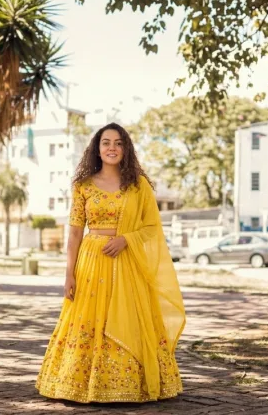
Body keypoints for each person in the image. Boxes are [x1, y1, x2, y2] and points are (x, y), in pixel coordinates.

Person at [36, 123, 186, 403]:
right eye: (106, 143)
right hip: (91, 262)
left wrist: (126, 239)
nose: (112, 148)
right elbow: (75, 233)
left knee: (129, 317)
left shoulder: (138, 185)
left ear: (126, 148)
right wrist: (69, 274)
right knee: (89, 321)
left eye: (118, 143)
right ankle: (81, 385)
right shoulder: (82, 186)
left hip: (127, 262)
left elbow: (152, 227)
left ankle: (129, 385)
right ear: (97, 148)